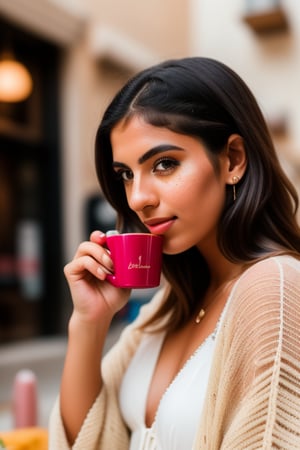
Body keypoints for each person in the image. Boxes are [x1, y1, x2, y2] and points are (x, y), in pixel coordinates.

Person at [49, 57, 300, 449]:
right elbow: (91, 441)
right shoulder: (170, 304)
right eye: (126, 174)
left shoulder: (275, 290)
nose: (138, 198)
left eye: (164, 164)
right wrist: (89, 323)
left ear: (233, 159)